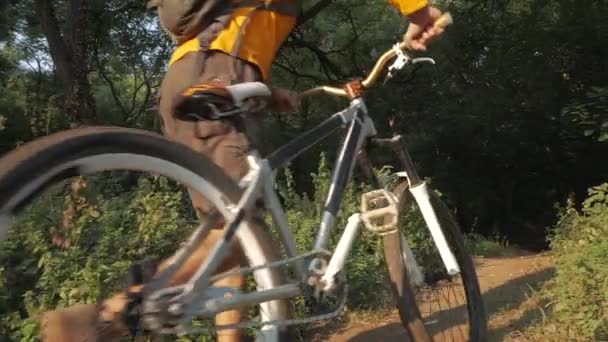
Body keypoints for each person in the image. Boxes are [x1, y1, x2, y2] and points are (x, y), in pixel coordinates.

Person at [40, 0, 446, 341]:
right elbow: (230, 49)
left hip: (198, 75)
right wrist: (417, 11)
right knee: (240, 236)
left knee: (227, 246)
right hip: (217, 72)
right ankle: (107, 315)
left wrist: (268, 91)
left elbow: (236, 36)